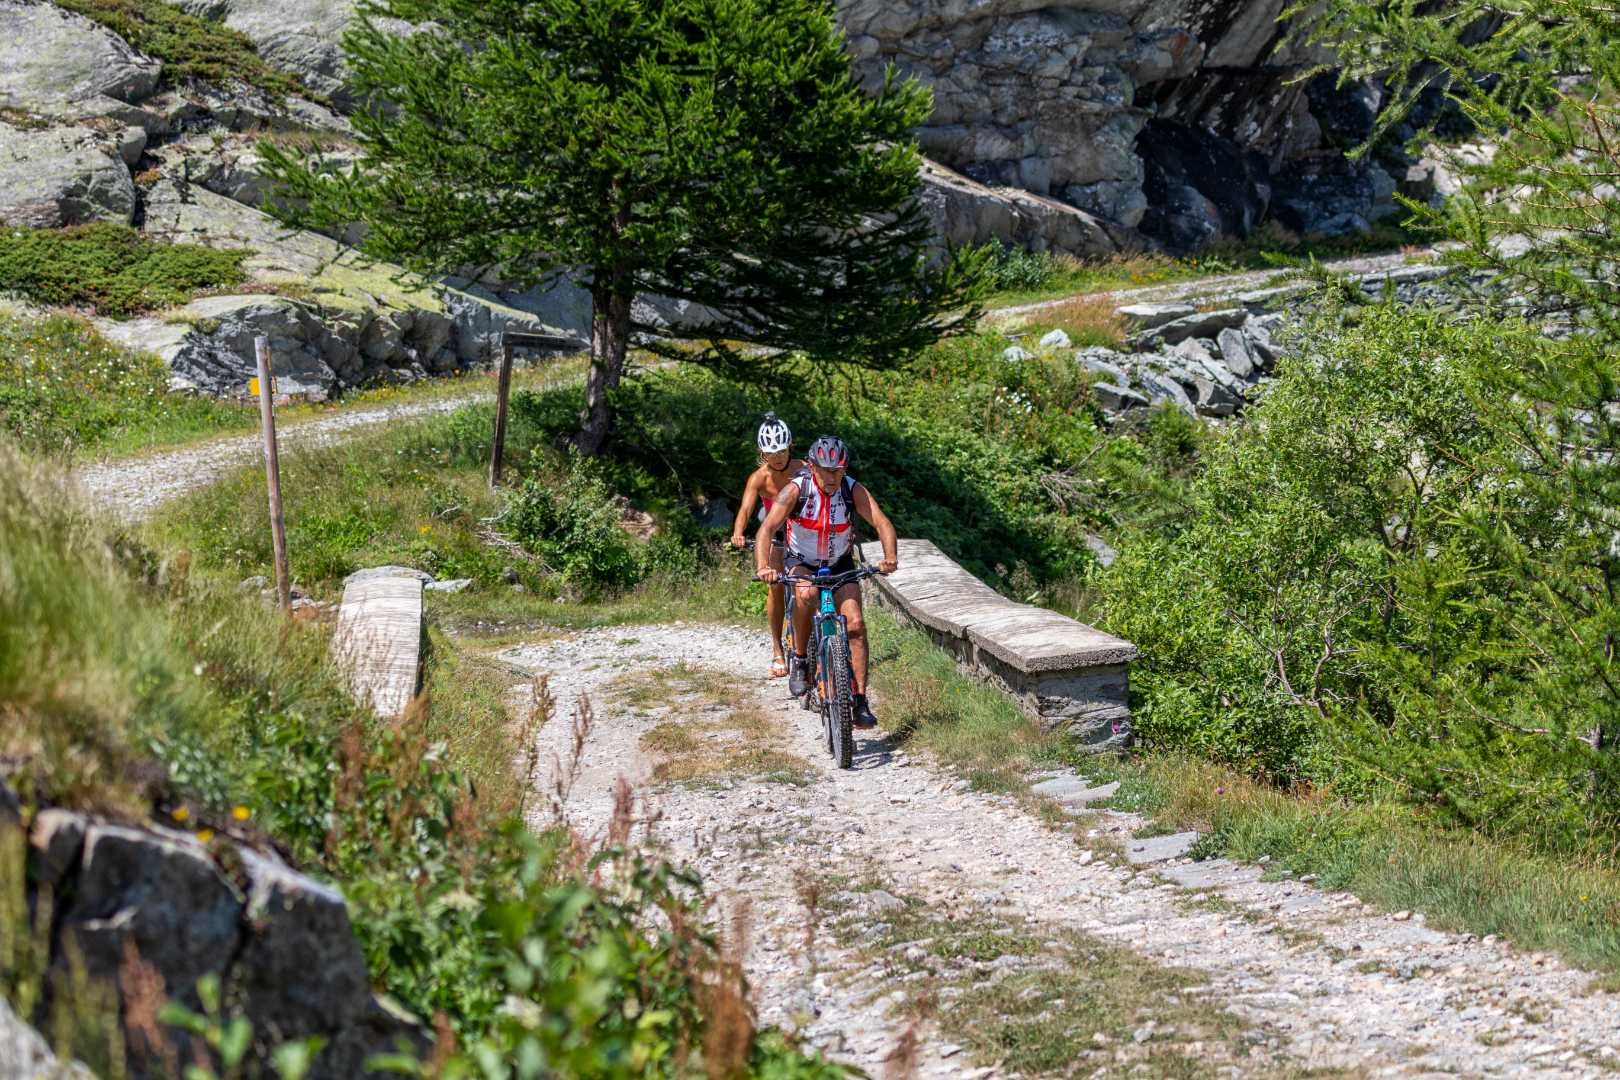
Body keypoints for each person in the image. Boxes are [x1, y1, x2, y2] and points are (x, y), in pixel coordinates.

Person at [755, 435, 898, 728]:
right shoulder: (797, 490)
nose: (832, 477)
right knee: (805, 595)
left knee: (856, 624)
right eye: (825, 470)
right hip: (802, 561)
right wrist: (763, 566)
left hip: (839, 562)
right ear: (812, 466)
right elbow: (767, 529)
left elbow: (882, 522)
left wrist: (890, 556)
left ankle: (859, 700)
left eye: (838, 470)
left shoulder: (852, 489)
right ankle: (800, 658)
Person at [731, 413, 802, 678]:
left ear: (790, 447)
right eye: (772, 452)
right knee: (775, 586)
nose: (778, 457)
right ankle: (777, 649)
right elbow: (746, 508)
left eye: (782, 451)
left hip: (803, 532)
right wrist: (738, 532)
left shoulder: (803, 468)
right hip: (776, 533)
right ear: (762, 453)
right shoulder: (759, 478)